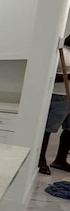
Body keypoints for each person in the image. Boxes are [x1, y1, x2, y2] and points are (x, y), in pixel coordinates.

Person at [39, 36, 70, 175]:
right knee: (47, 129)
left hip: (68, 97)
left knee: (69, 129)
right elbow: (47, 76)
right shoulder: (61, 52)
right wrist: (68, 77)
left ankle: (60, 160)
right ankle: (40, 159)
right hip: (58, 96)